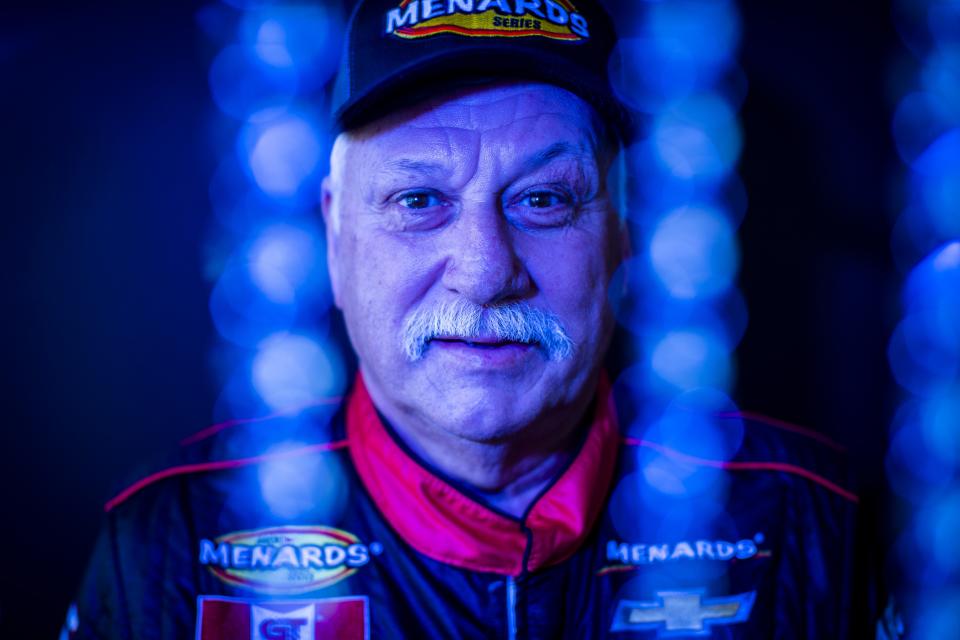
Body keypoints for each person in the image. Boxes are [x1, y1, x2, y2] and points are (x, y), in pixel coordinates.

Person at [66, 0, 870, 638]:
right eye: (419, 201)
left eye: (545, 200)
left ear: (624, 237)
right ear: (334, 238)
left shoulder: (811, 518)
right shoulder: (168, 538)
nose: (486, 273)